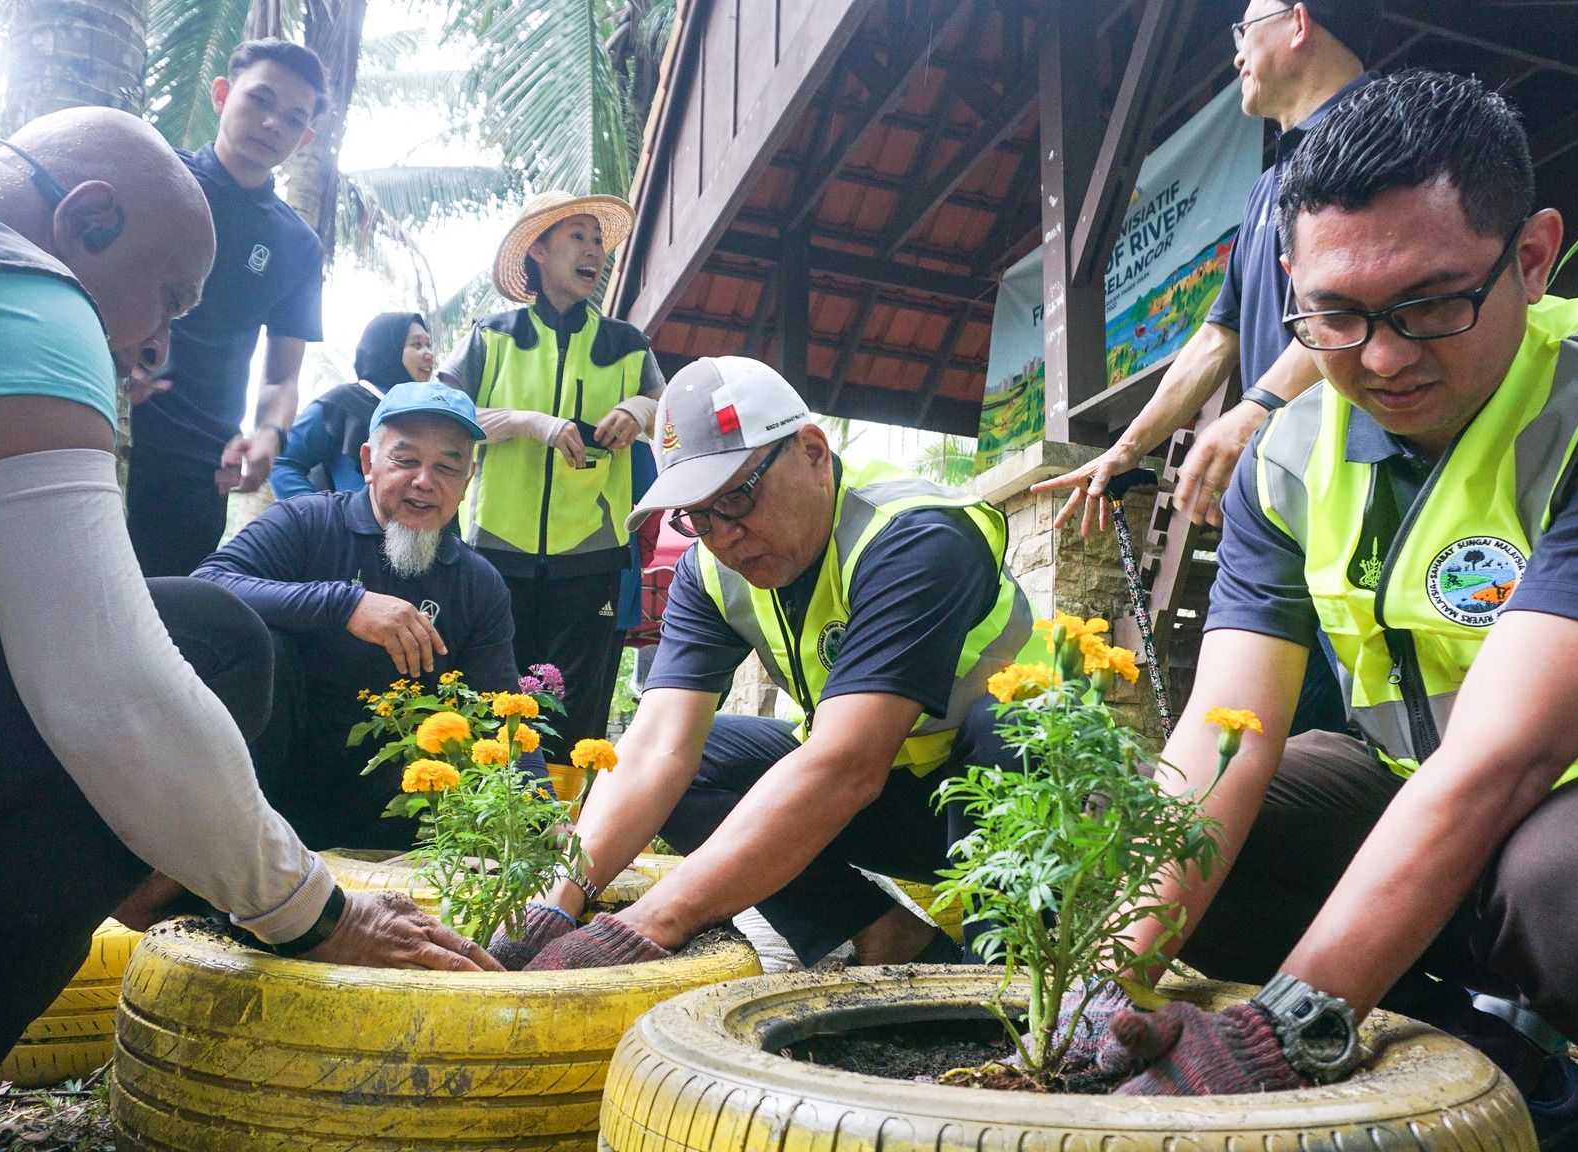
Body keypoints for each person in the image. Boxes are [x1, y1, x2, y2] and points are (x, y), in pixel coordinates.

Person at [1079, 72, 1578, 1152]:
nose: (1380, 357)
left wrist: (1284, 1026)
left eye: (1429, 303)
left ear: (1528, 257)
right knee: (1152, 825)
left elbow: (1504, 758)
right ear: (1289, 280)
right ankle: (1524, 1101)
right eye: (1335, 314)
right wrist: (1116, 971)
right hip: (1448, 807)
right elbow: (1219, 738)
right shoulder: (1285, 462)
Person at [0, 108, 495, 1152]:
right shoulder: (2, 289)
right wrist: (313, 913)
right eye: (166, 299)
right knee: (205, 638)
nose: (160, 342)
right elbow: (106, 674)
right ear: (89, 219)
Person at [476, 355, 1037, 974]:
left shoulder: (915, 537)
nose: (723, 536)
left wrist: (645, 923)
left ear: (813, 452)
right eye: (697, 515)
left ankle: (1003, 979)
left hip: (1016, 800)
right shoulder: (709, 568)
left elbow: (846, 767)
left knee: (1012, 727)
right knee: (697, 760)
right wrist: (557, 904)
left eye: (737, 496)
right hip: (889, 803)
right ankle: (888, 934)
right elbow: (655, 747)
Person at [1035, 0, 1384, 736]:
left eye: (1242, 28)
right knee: (1280, 728)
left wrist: (1254, 408)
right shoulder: (1271, 181)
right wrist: (1127, 448)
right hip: (1282, 497)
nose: (1234, 53)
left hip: (1365, 477)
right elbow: (1215, 337)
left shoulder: (1378, 137)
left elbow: (1361, 308)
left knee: (1361, 717)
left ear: (1298, 21)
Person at [198, 381, 542, 851]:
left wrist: (538, 811)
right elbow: (207, 588)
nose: (425, 481)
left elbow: (499, 704)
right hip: (267, 795)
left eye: (447, 466)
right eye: (405, 460)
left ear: (467, 481)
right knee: (257, 640)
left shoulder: (478, 584)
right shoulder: (305, 524)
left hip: (394, 820)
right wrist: (343, 604)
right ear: (367, 464)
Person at [437, 190, 666, 766]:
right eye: (578, 237)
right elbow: (440, 415)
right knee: (491, 699)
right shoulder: (492, 336)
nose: (594, 251)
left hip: (594, 555)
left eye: (598, 240)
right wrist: (528, 423)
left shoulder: (628, 345)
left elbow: (674, 419)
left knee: (577, 710)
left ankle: (564, 838)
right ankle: (483, 834)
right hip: (496, 551)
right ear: (537, 249)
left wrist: (639, 410)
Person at [127, 38, 329, 577]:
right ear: (221, 94)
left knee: (163, 626)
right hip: (94, 430)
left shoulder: (297, 245)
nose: (271, 124)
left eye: (292, 119)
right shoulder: (149, 174)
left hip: (197, 468)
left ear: (304, 137)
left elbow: (281, 379)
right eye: (259, 100)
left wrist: (270, 434)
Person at [270, 311, 436, 497]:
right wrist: (318, 517)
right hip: (353, 526)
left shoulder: (429, 412)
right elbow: (281, 461)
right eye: (416, 344)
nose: (429, 354)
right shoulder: (343, 404)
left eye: (428, 345)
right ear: (387, 349)